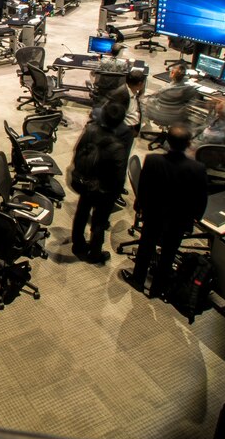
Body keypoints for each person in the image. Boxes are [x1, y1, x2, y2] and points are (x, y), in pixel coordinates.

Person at [122, 125, 208, 298]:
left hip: (154, 215)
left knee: (146, 246)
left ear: (167, 141)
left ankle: (138, 279)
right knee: (169, 253)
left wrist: (140, 208)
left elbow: (144, 189)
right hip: (179, 220)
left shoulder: (153, 160)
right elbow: (201, 199)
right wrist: (195, 218)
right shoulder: (197, 169)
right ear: (188, 144)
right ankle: (158, 288)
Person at [69, 100, 128, 264]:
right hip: (104, 191)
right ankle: (95, 253)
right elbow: (118, 177)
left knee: (81, 213)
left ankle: (78, 245)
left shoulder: (90, 130)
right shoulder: (118, 147)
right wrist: (114, 194)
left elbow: (77, 151)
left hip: (85, 183)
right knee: (99, 222)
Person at [146, 62, 197, 130]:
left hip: (158, 114)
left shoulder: (164, 90)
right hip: (176, 116)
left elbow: (154, 96)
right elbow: (192, 96)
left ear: (172, 73)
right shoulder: (187, 89)